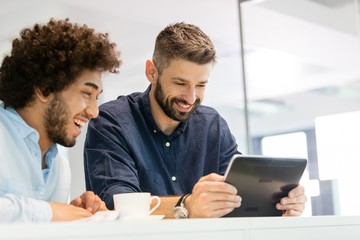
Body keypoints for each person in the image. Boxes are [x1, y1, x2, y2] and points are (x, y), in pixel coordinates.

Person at [84, 22, 306, 218]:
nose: (191, 98)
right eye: (180, 83)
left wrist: (278, 202)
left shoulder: (212, 125)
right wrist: (186, 205)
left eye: (201, 85)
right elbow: (118, 204)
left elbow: (239, 193)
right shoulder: (111, 122)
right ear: (152, 72)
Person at [0, 18, 121, 222]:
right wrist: (51, 212)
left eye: (97, 97)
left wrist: (72, 213)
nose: (94, 112)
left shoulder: (59, 169)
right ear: (45, 89)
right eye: (86, 93)